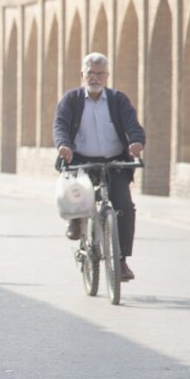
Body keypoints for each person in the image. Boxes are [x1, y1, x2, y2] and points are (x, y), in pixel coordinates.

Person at [54, 52, 146, 281]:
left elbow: (132, 124)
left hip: (114, 161)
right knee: (76, 195)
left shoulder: (118, 100)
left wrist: (136, 141)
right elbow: (61, 125)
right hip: (81, 160)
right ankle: (77, 220)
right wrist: (63, 145)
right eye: (90, 73)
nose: (95, 78)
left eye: (100, 74)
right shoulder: (71, 99)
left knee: (124, 206)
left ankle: (122, 261)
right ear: (82, 74)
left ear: (107, 76)